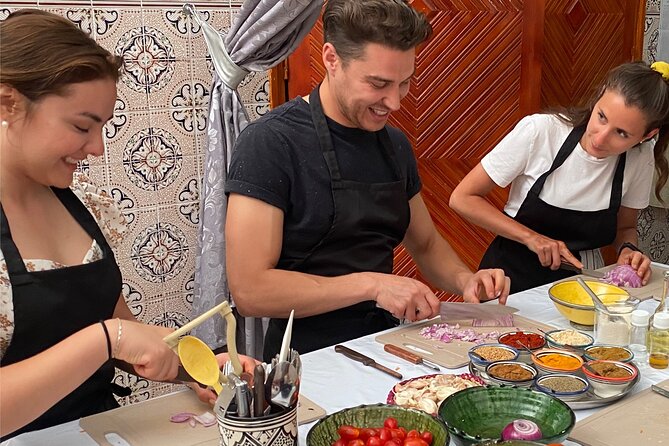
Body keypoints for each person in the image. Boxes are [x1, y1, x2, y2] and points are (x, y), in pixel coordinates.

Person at [0, 10, 254, 439]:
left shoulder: (86, 208)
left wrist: (196, 366)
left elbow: (124, 335)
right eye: (82, 125)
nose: (97, 148)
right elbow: (111, 335)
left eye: (102, 126)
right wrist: (107, 339)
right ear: (8, 102)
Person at [224, 0, 510, 362]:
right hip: (304, 360)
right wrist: (373, 284)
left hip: (387, 345)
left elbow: (424, 243)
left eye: (404, 83)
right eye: (378, 84)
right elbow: (251, 291)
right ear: (331, 58)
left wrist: (464, 279)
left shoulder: (395, 146)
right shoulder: (271, 143)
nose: (394, 102)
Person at [449, 61, 669, 294]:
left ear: (648, 135)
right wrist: (532, 238)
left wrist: (628, 249)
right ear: (599, 95)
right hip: (508, 282)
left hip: (583, 287)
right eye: (601, 117)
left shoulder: (640, 158)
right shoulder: (541, 132)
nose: (600, 138)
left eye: (622, 133)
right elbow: (462, 198)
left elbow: (625, 226)